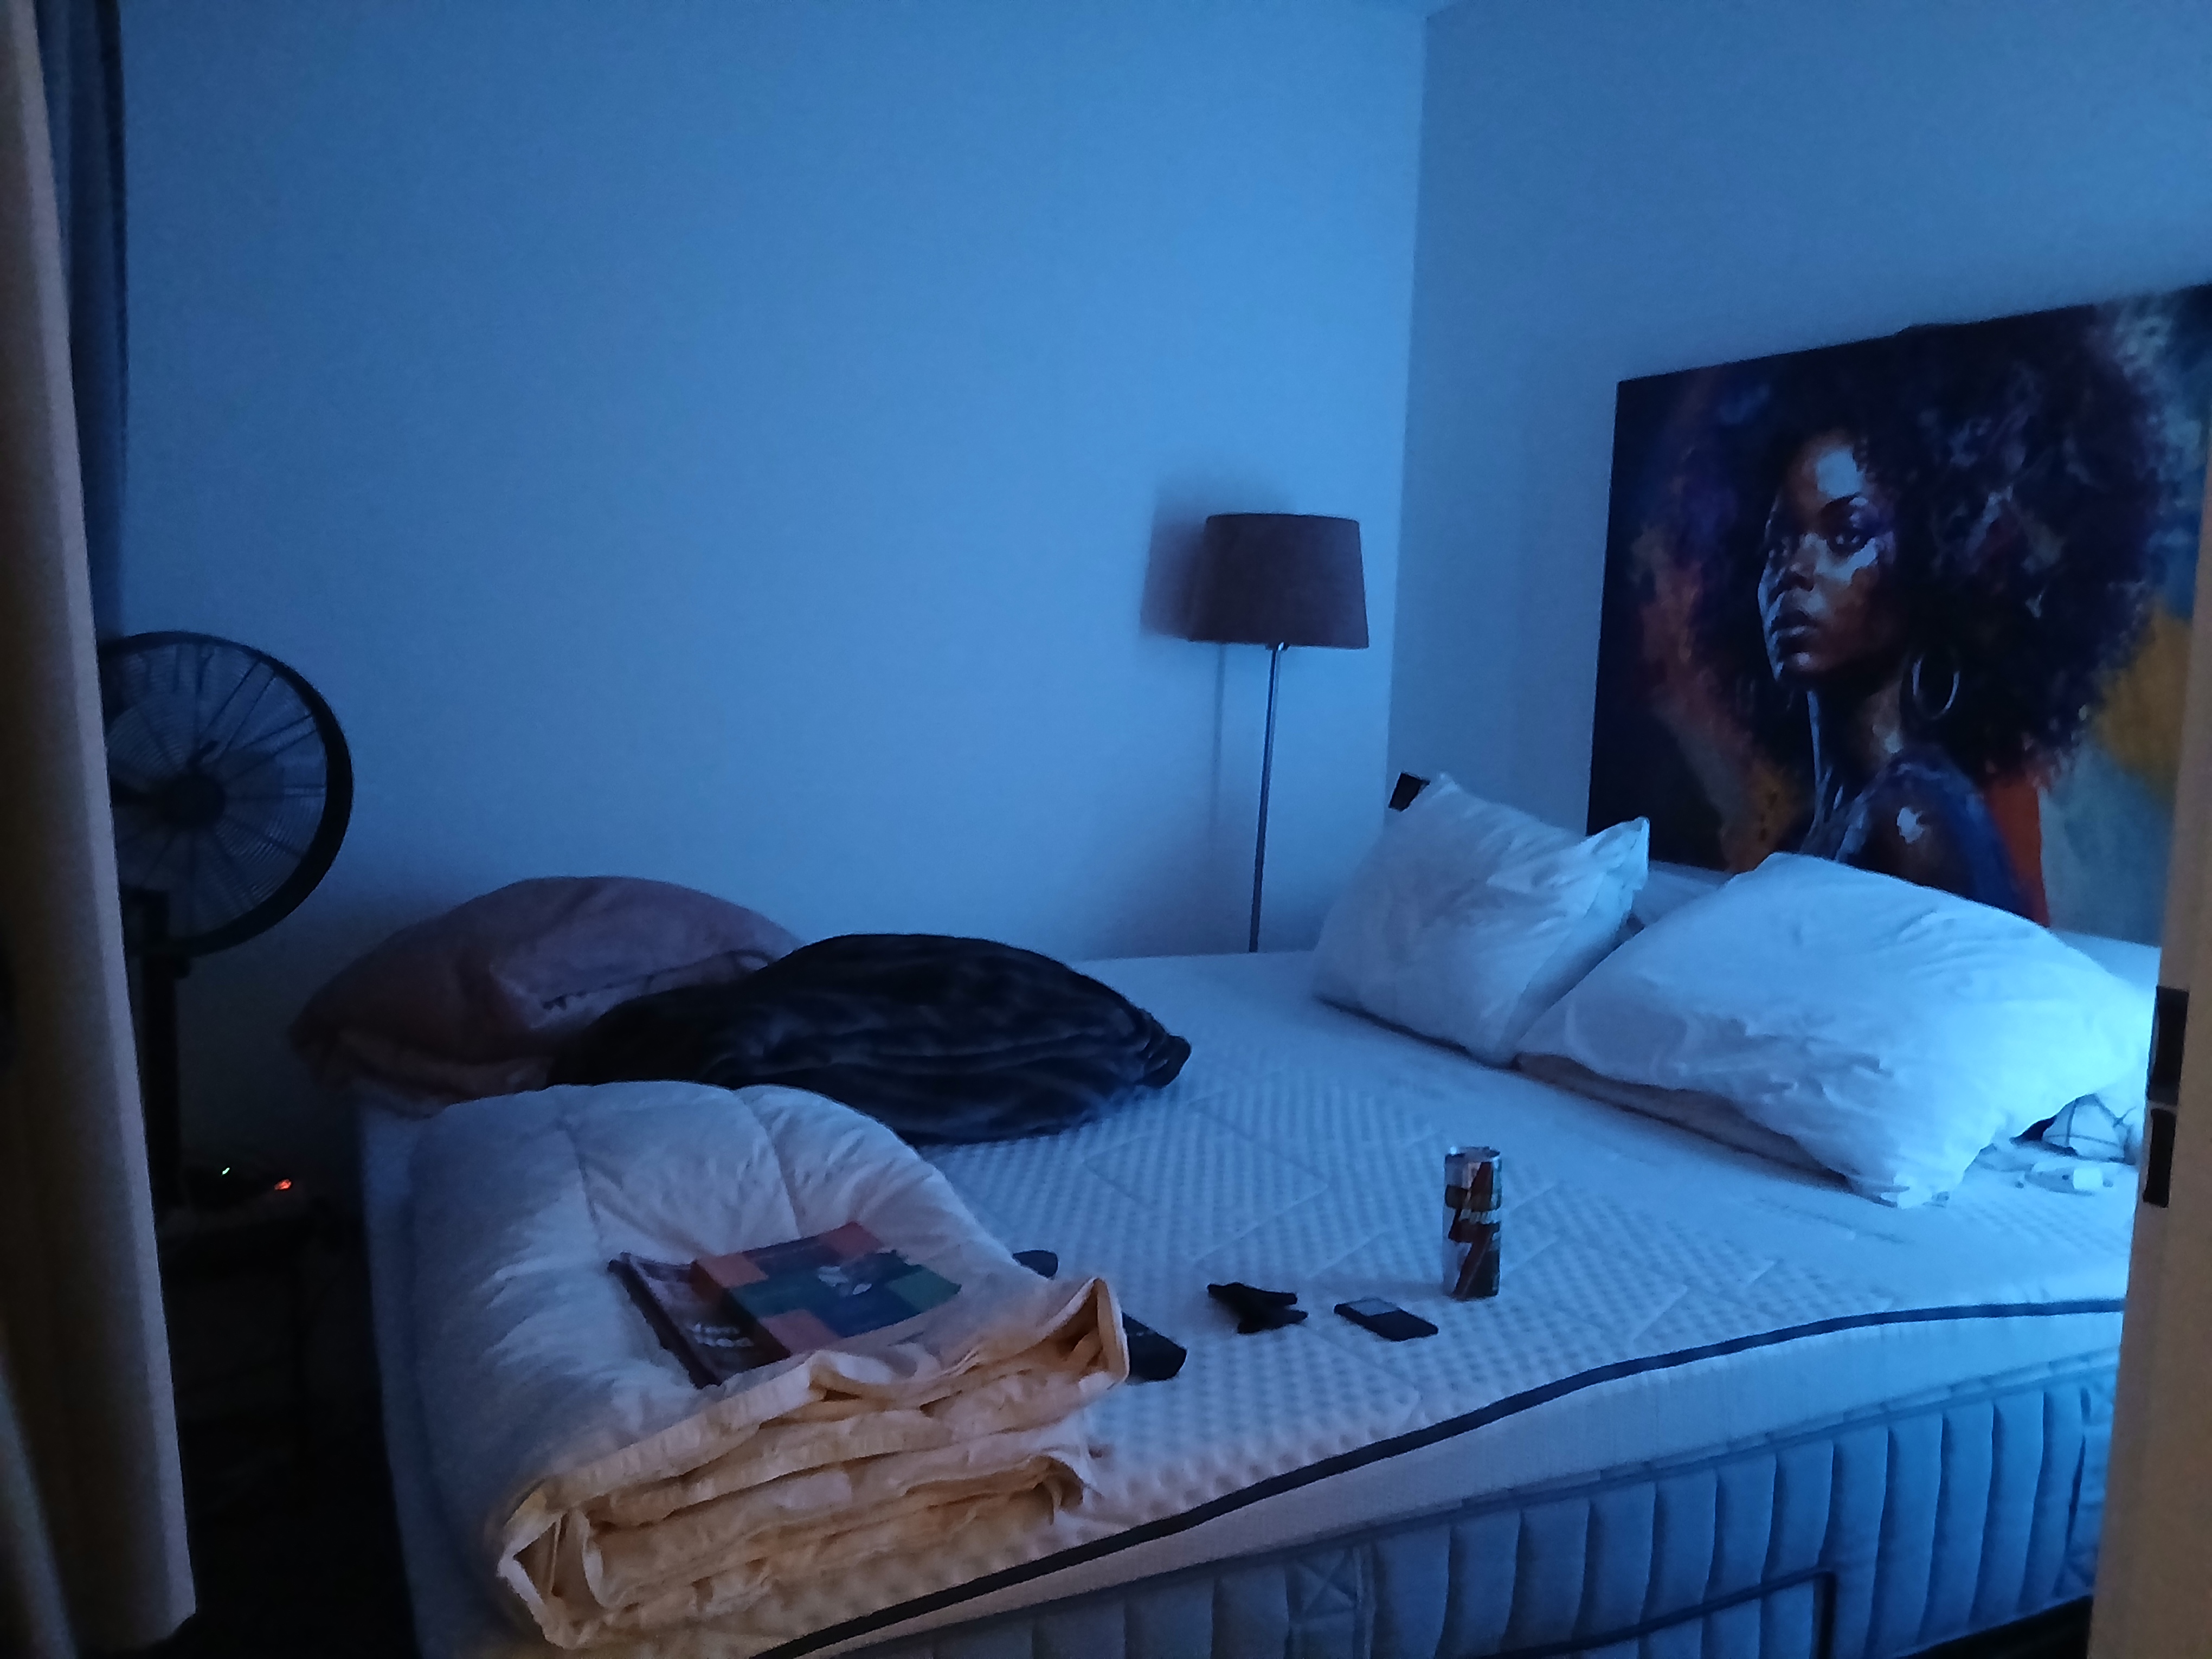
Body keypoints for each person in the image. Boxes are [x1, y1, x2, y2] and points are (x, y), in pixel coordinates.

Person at [1754, 427, 2029, 912]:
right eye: (1778, 544)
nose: (1794, 567)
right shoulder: (1817, 830)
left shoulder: (1909, 825)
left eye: (1847, 535)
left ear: (1924, 567)